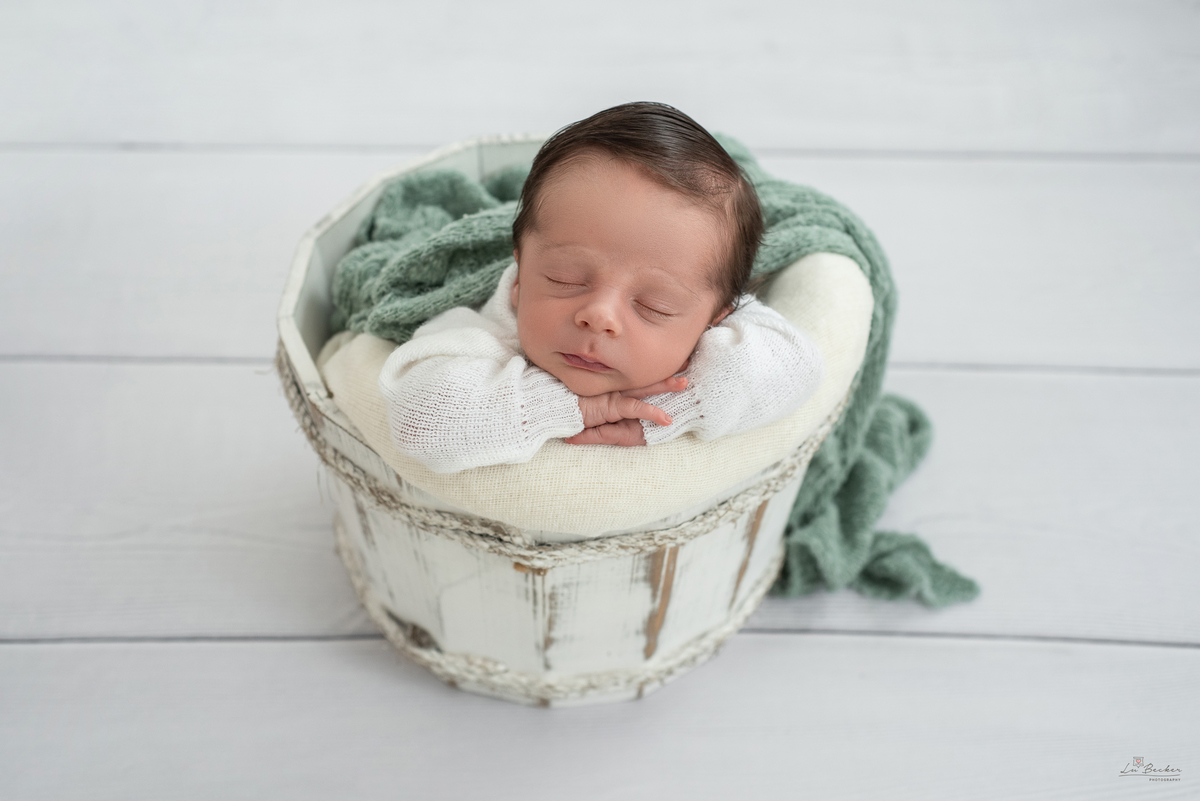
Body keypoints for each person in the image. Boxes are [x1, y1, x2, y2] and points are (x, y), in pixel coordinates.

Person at [379, 102, 824, 473]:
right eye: (565, 279)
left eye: (653, 306)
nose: (599, 316)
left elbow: (798, 366)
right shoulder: (489, 329)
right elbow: (421, 420)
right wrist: (581, 407)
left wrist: (679, 408)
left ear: (714, 318)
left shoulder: (724, 329)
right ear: (520, 274)